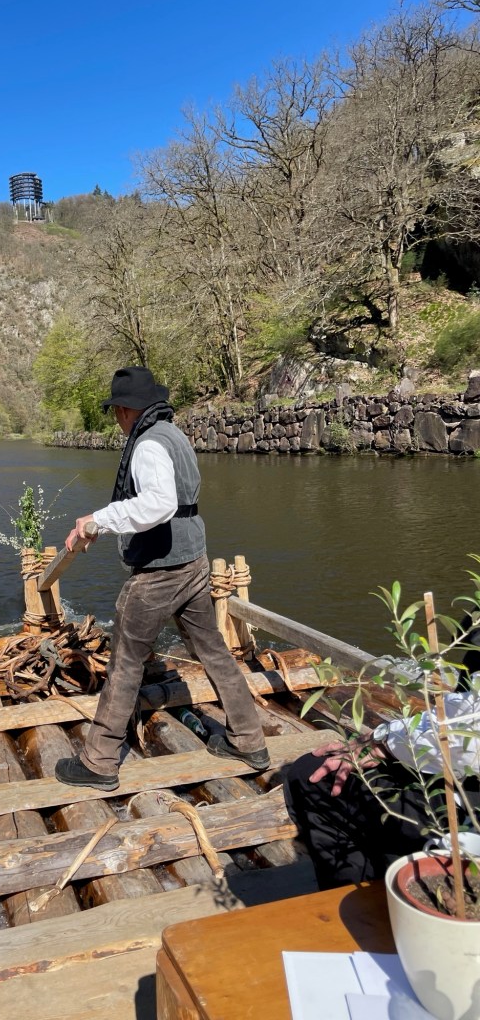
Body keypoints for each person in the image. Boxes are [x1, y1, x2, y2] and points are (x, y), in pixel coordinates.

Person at [54, 365, 269, 791]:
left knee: (125, 661)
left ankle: (99, 761)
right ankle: (249, 741)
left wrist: (98, 520)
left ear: (125, 410)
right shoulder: (174, 435)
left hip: (160, 571)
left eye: (116, 411)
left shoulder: (148, 443)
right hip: (193, 561)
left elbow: (159, 504)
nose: (116, 419)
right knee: (214, 651)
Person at [285, 630, 480, 890]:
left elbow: (467, 734)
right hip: (462, 772)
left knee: (312, 774)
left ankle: (355, 902)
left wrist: (383, 742)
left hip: (469, 809)